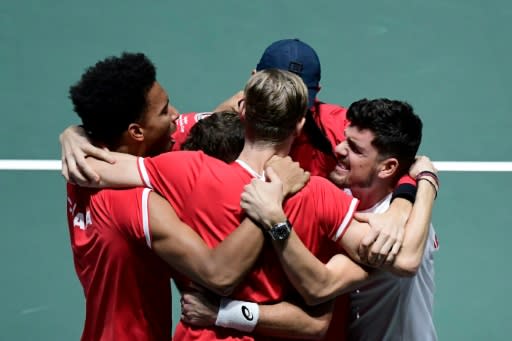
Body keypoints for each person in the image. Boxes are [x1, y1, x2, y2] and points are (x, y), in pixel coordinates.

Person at [77, 70, 436, 340]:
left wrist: (74, 136)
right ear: (299, 124)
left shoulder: (184, 172)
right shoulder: (319, 194)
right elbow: (400, 260)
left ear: (243, 111)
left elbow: (96, 167)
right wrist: (422, 185)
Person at [65, 53, 308, 340]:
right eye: (164, 110)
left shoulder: (84, 167)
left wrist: (73, 133)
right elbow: (219, 275)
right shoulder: (133, 203)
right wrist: (270, 199)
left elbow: (217, 119)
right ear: (136, 131)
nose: (177, 115)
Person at [236, 98, 439, 340]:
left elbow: (320, 287)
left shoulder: (393, 229)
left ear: (387, 168)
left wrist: (427, 182)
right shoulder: (342, 195)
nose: (339, 149)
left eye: (355, 148)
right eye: (344, 139)